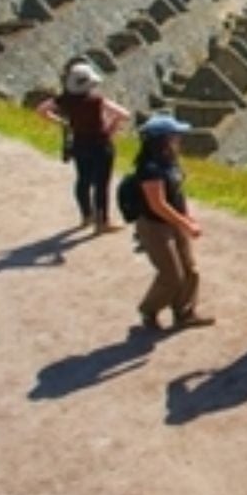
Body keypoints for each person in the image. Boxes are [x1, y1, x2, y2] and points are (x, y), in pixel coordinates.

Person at [119, 114, 213, 332]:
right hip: (155, 227)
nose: (179, 139)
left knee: (191, 270)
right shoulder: (150, 168)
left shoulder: (169, 161)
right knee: (171, 275)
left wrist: (186, 217)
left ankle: (185, 312)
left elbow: (178, 193)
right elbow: (157, 204)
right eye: (175, 135)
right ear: (162, 139)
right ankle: (148, 310)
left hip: (174, 222)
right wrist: (186, 224)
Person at [35, 62, 129, 233]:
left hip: (79, 143)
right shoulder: (97, 100)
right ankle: (103, 222)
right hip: (101, 144)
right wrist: (111, 126)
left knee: (83, 180)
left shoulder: (65, 99)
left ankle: (86, 216)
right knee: (102, 184)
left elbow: (42, 110)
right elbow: (124, 114)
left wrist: (63, 123)